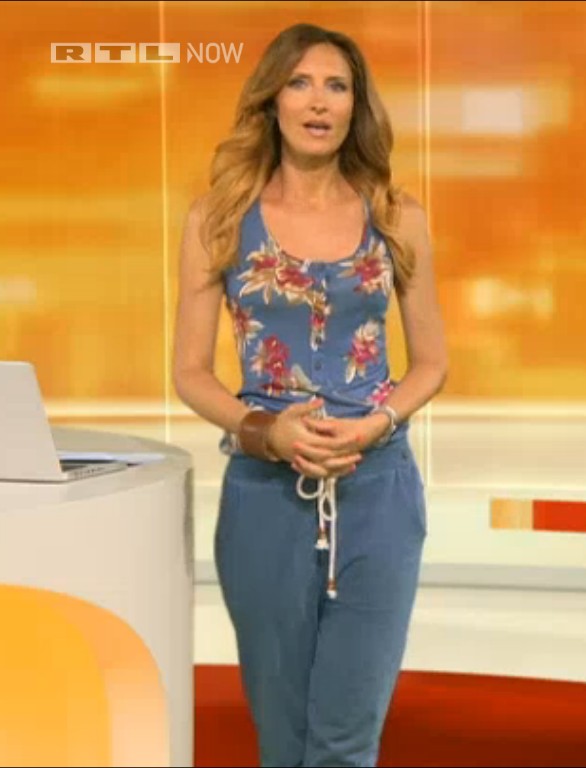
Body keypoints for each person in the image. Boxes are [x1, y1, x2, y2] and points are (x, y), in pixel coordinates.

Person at [171, 22, 449, 768]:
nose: (319, 102)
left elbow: (431, 363)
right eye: (300, 83)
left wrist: (376, 424)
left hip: (377, 492)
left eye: (337, 86)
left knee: (345, 742)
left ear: (357, 106)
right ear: (272, 100)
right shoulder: (217, 219)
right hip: (264, 497)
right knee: (284, 741)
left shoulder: (397, 216)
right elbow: (190, 371)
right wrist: (265, 432)